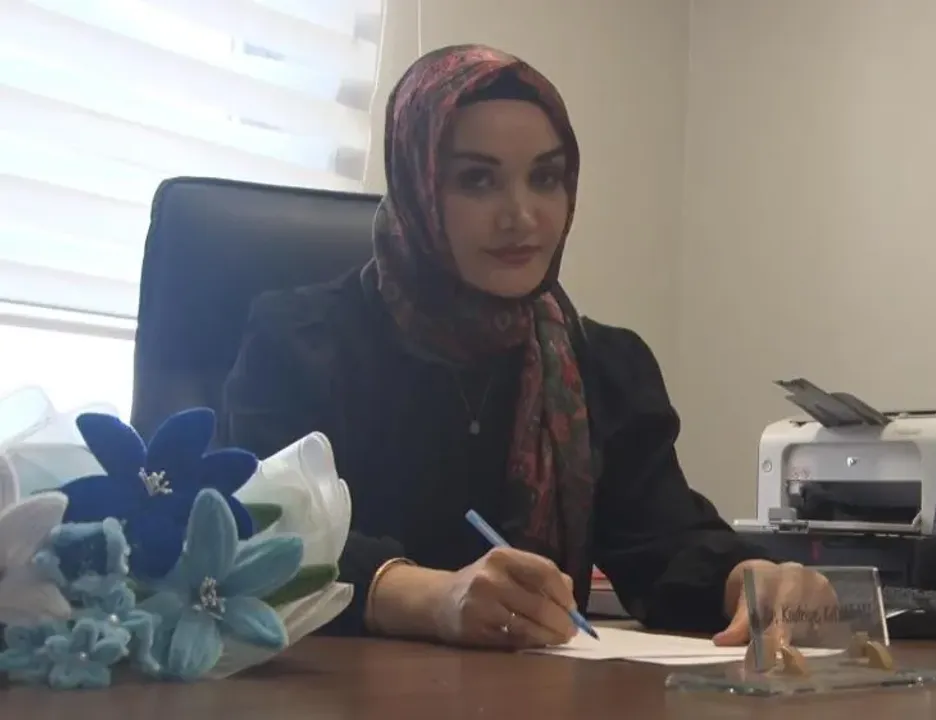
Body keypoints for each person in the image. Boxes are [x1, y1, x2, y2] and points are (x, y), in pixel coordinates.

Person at [222, 44, 829, 650]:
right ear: (417, 187)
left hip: (537, 691)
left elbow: (664, 543)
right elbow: (258, 535)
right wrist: (427, 597)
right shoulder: (304, 342)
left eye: (545, 178)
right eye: (477, 180)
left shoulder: (598, 367)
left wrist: (748, 580)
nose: (522, 216)